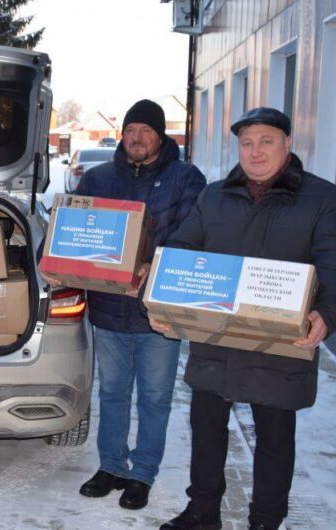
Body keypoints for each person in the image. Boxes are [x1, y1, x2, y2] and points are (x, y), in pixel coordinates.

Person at [155, 107, 335, 530]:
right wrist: (164, 297)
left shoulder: (321, 198)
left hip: (281, 342)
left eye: (266, 141)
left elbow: (332, 266)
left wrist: (326, 314)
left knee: (274, 439)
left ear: (287, 144)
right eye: (247, 143)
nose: (255, 152)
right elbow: (183, 244)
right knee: (206, 429)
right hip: (216, 337)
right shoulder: (214, 195)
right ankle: (202, 512)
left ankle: (265, 521)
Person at [42, 99, 206, 510]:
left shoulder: (185, 178)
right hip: (109, 310)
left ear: (160, 136)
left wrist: (154, 264)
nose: (137, 138)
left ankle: (142, 474)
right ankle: (111, 466)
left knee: (154, 396)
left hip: (158, 315)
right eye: (131, 130)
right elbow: (70, 229)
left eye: (146, 131)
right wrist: (53, 260)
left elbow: (196, 233)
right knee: (112, 392)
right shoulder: (98, 178)